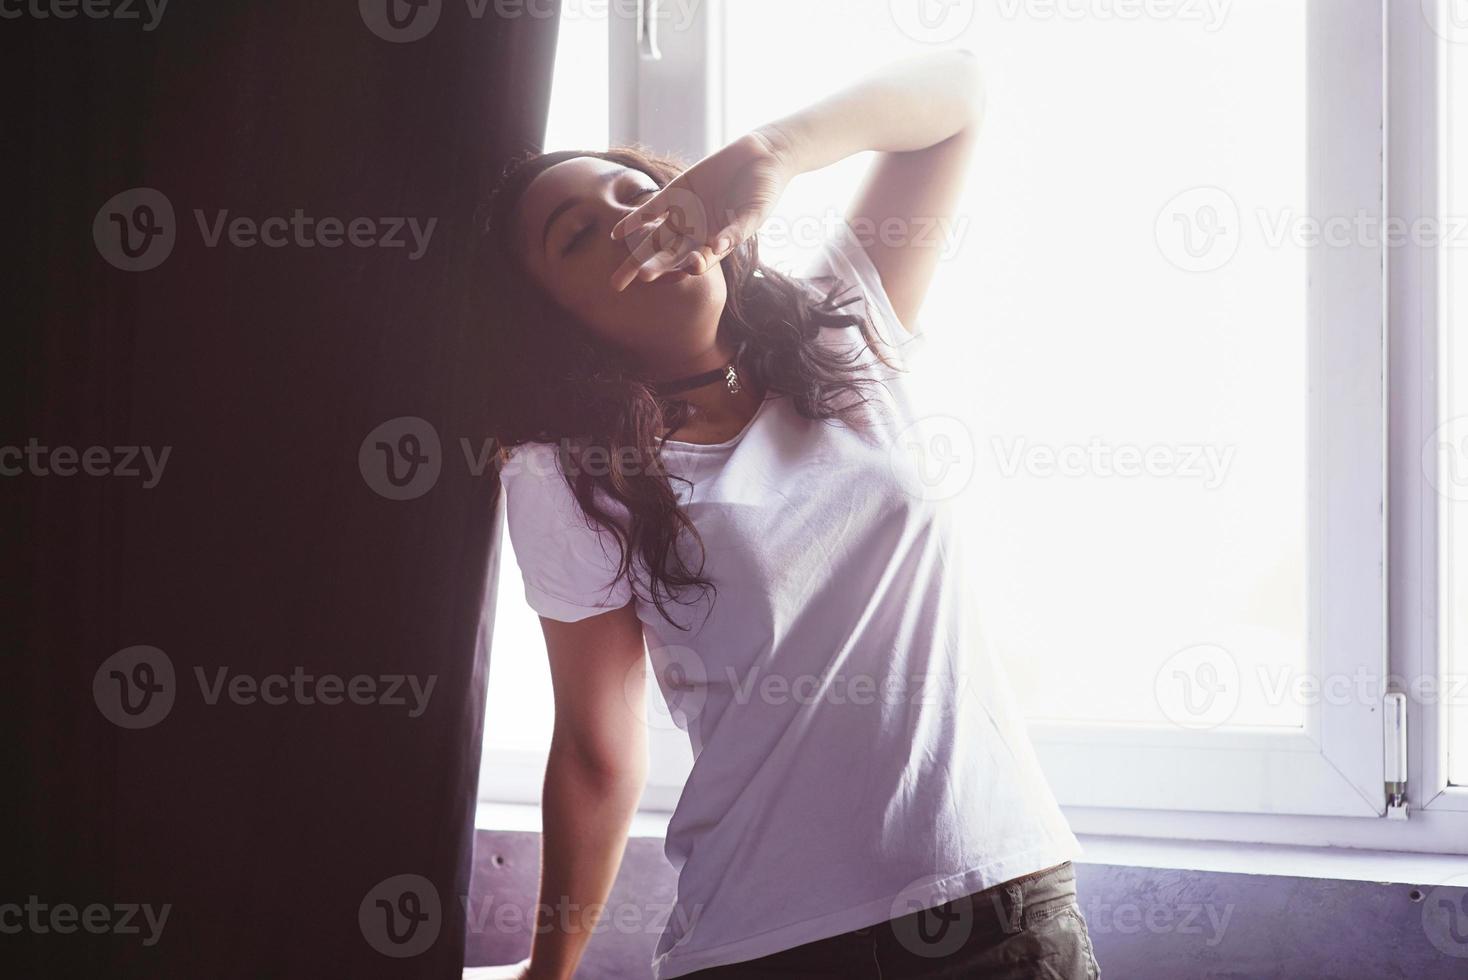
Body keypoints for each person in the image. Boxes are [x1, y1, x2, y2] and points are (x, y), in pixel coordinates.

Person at [471, 49, 1100, 980]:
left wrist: (775, 148)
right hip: (769, 946)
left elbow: (960, 94)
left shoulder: (841, 329)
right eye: (578, 235)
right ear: (560, 324)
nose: (629, 219)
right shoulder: (564, 476)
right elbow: (600, 751)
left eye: (632, 188)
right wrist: (547, 972)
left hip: (1002, 910)